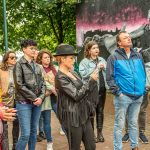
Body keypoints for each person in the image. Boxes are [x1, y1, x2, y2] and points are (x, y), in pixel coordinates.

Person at [106, 31, 146, 150]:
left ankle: (134, 146)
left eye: (129, 37)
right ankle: (118, 148)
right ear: (119, 43)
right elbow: (109, 78)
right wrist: (119, 93)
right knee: (119, 125)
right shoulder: (113, 57)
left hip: (138, 96)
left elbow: (143, 73)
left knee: (133, 123)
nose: (129, 39)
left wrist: (143, 89)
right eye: (125, 38)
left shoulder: (138, 55)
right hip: (123, 97)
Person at [55, 44, 98, 150]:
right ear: (62, 59)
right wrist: (91, 81)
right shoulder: (60, 77)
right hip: (71, 117)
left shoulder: (73, 72)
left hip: (83, 114)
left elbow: (83, 89)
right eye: (71, 58)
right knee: (75, 147)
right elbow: (76, 95)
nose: (74, 60)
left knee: (91, 146)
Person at [13, 39, 46, 150]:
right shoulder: (18, 64)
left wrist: (41, 98)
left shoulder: (37, 66)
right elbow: (19, 85)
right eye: (31, 48)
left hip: (37, 103)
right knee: (25, 134)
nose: (34, 50)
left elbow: (43, 84)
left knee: (33, 132)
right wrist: (34, 97)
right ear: (24, 49)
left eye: (35, 48)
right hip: (23, 103)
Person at [79, 41, 108, 143]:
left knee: (100, 111)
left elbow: (109, 71)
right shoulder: (84, 62)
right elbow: (84, 75)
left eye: (97, 48)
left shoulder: (102, 60)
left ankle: (100, 133)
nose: (96, 50)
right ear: (89, 50)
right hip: (90, 91)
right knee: (91, 112)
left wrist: (104, 67)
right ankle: (92, 135)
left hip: (102, 89)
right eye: (94, 48)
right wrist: (96, 68)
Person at [122, 48, 149, 144]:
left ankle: (141, 133)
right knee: (128, 111)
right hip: (129, 91)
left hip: (143, 91)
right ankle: (128, 132)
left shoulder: (146, 65)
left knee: (142, 111)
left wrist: (146, 86)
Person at [36, 50, 59, 150]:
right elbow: (42, 82)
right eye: (45, 57)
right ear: (40, 59)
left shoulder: (54, 68)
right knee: (46, 121)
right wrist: (52, 88)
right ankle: (49, 142)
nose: (48, 59)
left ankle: (71, 139)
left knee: (63, 118)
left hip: (56, 97)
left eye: (49, 57)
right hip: (45, 98)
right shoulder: (38, 68)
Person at [0, 51, 19, 150]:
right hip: (5, 102)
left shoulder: (18, 70)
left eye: (15, 57)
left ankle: (15, 147)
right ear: (6, 58)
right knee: (5, 128)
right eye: (12, 57)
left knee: (16, 125)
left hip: (18, 101)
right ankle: (5, 147)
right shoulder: (1, 70)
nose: (15, 59)